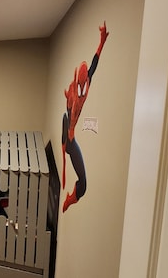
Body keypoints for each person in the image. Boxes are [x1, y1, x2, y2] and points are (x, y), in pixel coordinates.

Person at [61, 22, 109, 212]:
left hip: (71, 137)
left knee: (83, 183)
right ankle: (72, 197)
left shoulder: (87, 80)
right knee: (83, 181)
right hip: (69, 137)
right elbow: (68, 114)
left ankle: (72, 197)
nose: (83, 84)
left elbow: (95, 62)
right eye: (81, 81)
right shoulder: (75, 91)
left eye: (84, 80)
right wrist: (68, 136)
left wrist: (102, 40)